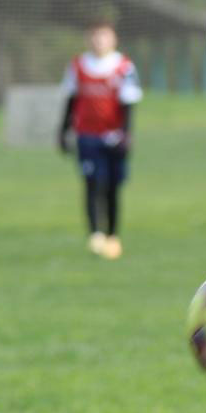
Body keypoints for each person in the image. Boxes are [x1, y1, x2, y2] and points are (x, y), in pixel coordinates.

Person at [58, 18, 141, 260]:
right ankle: (95, 235)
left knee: (113, 187)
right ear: (88, 38)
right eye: (94, 35)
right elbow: (70, 101)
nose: (99, 40)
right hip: (88, 137)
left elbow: (129, 104)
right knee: (93, 183)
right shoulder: (78, 66)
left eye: (103, 35)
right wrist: (63, 132)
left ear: (113, 38)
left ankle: (113, 235)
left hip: (113, 137)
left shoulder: (124, 67)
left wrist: (126, 134)